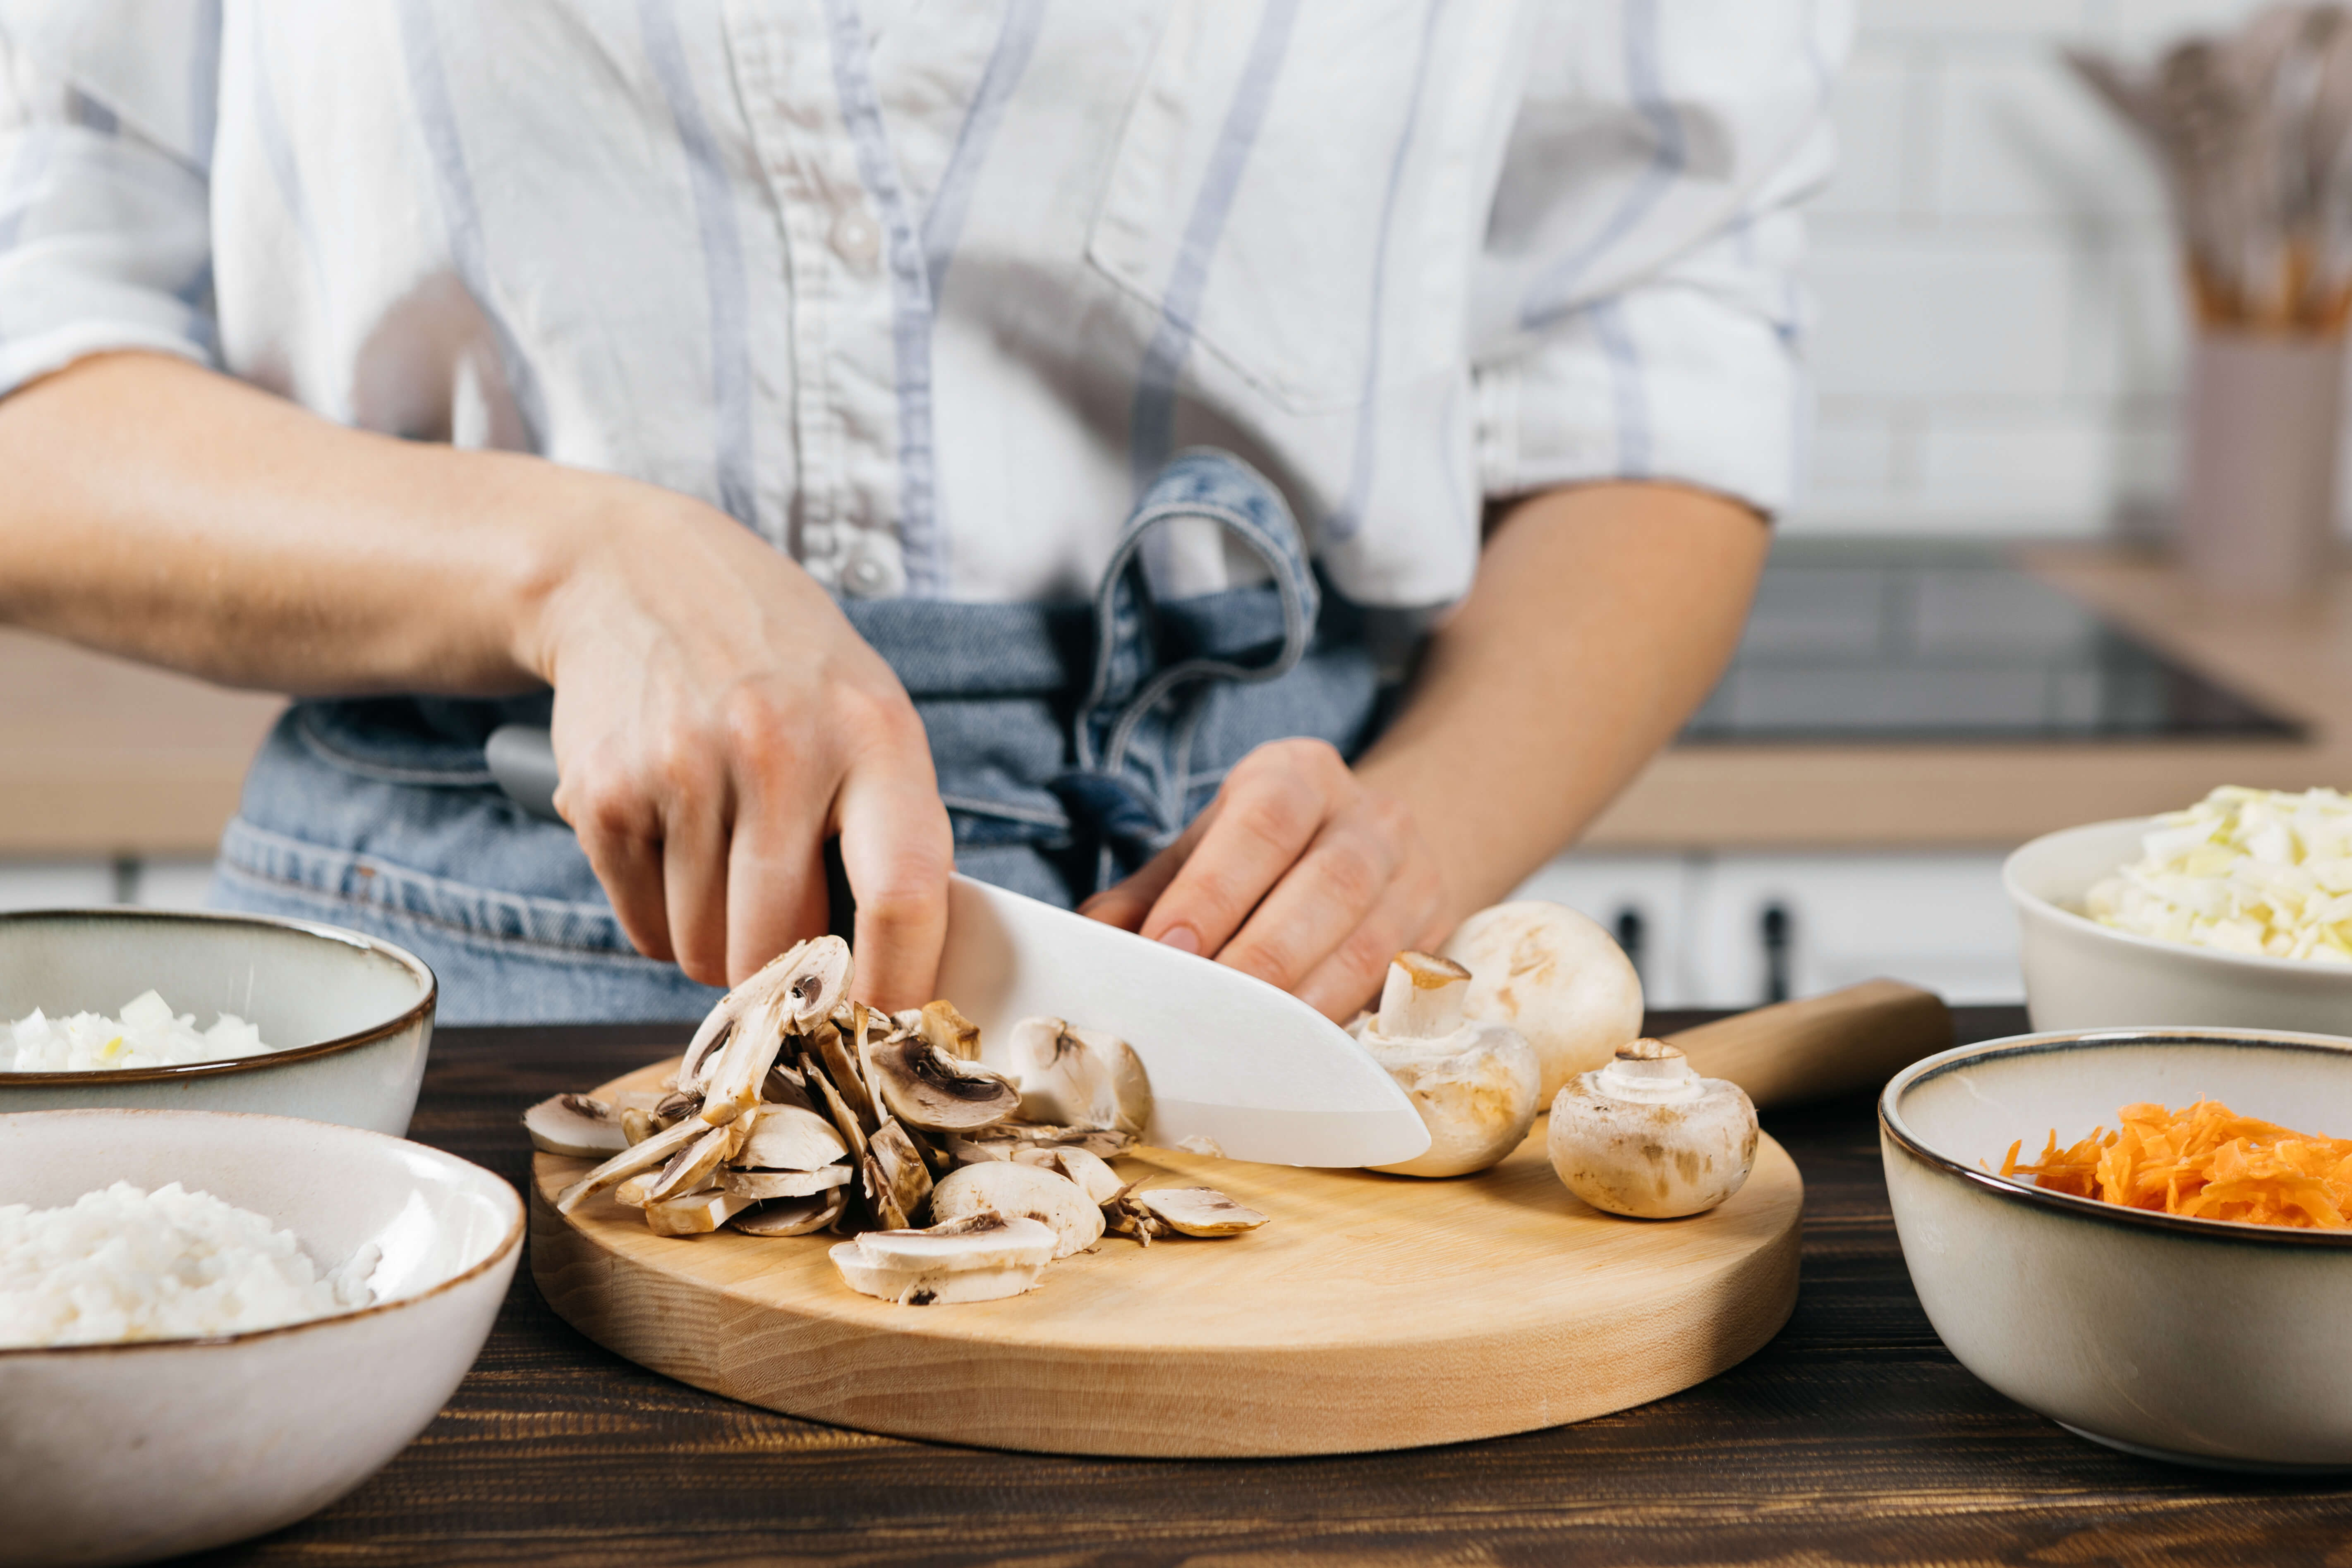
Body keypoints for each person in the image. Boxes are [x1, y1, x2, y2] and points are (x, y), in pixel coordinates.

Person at [0, 3, 1842, 1025]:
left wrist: (1409, 852)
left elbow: (1651, 351)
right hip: (450, 990)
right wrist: (574, 563)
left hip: (1269, 990)